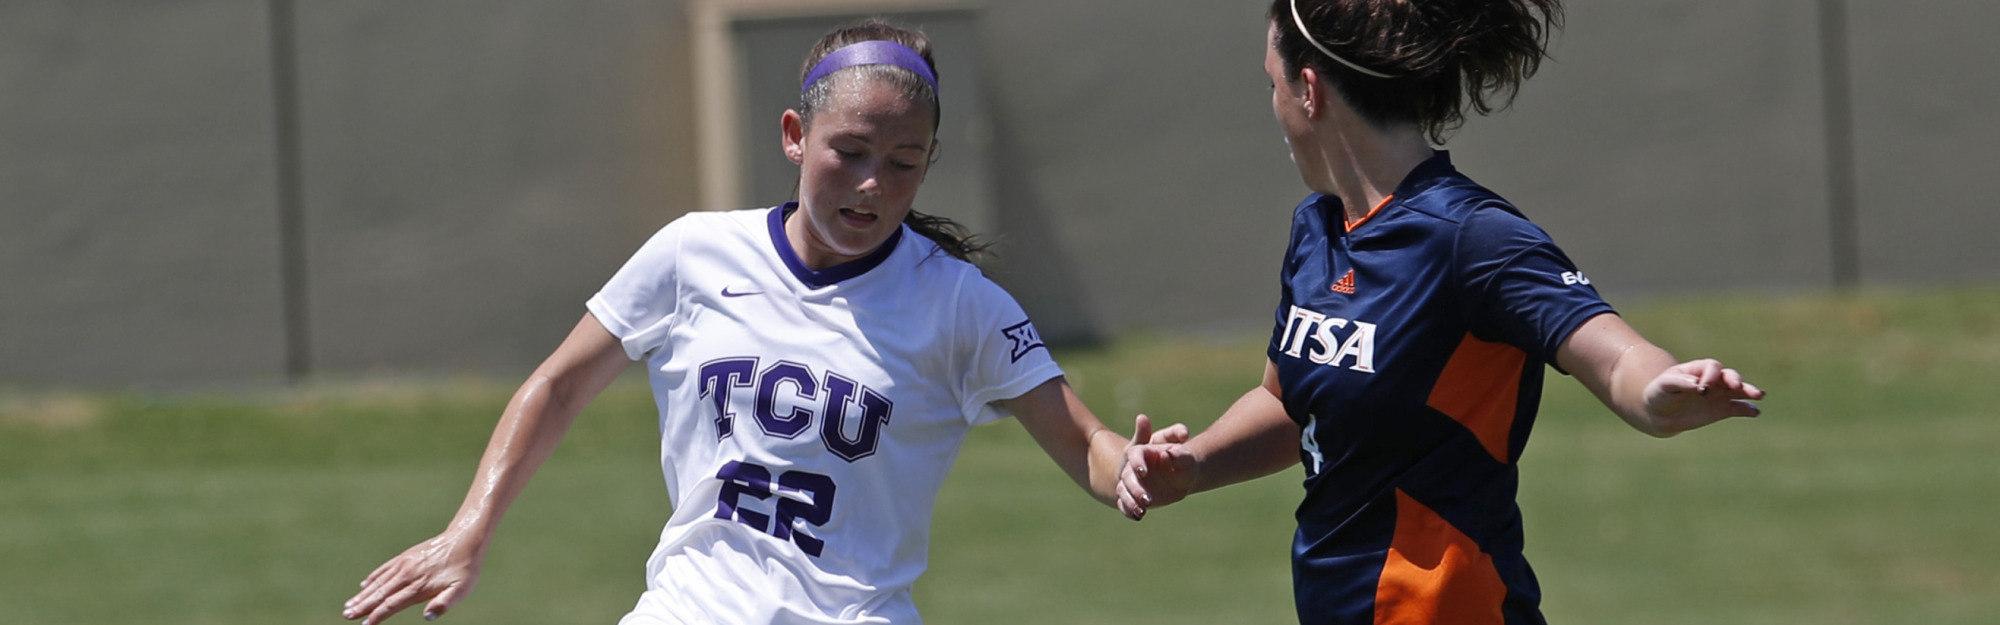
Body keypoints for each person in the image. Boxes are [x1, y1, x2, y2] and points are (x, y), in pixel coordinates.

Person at [341, 20, 1181, 625]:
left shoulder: (960, 304)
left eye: (902, 163)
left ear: (928, 163)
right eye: (848, 151)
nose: (872, 185)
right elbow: (558, 386)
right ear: (794, 135)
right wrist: (467, 529)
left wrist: (1132, 469)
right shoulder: (692, 254)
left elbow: (1085, 441)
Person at [1115, 1, 1766, 623]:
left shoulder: (1470, 237)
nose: (1273, 105)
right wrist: (1193, 464)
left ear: (1309, 91)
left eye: (1272, 83)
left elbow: (1614, 353)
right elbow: (1287, 404)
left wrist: (1655, 393)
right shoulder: (1318, 229)